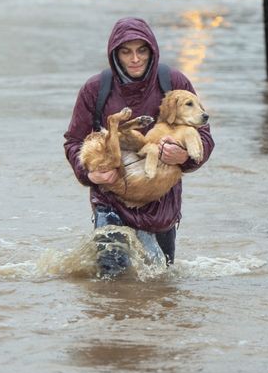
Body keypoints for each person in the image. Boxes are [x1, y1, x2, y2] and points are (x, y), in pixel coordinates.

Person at [63, 17, 214, 272]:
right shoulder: (95, 89)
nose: (135, 59)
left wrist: (183, 158)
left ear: (152, 51)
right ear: (115, 54)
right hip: (110, 200)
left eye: (141, 50)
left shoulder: (175, 83)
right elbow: (74, 141)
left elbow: (205, 137)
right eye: (126, 52)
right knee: (112, 282)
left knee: (160, 283)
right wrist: (90, 174)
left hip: (161, 202)